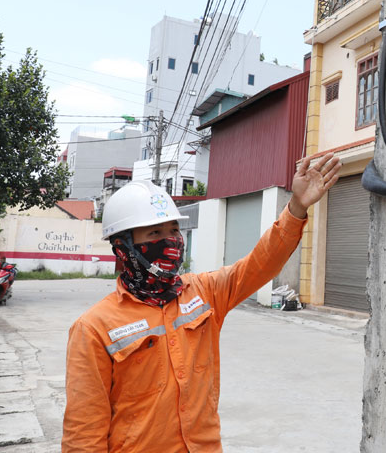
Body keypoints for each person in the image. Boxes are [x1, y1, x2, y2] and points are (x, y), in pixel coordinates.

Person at [62, 153, 341, 452]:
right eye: (155, 232)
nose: (170, 241)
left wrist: (296, 207)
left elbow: (261, 264)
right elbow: (84, 435)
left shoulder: (204, 293)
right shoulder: (93, 328)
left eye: (174, 230)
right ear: (123, 249)